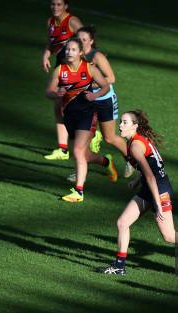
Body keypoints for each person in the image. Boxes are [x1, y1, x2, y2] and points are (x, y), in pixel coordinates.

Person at [101, 110, 178, 275]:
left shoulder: (135, 146)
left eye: (125, 122)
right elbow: (149, 167)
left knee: (169, 236)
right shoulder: (135, 141)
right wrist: (136, 180)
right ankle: (119, 266)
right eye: (121, 121)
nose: (120, 125)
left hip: (159, 190)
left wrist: (157, 203)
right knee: (122, 223)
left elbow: (150, 175)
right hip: (152, 187)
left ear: (135, 126)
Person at [46, 37, 118, 202]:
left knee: (78, 151)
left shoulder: (89, 68)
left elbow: (105, 85)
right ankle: (106, 161)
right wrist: (56, 94)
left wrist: (95, 95)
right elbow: (48, 91)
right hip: (69, 116)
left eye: (72, 49)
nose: (69, 52)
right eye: (67, 49)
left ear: (80, 52)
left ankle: (79, 192)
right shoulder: (60, 70)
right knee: (82, 154)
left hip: (87, 114)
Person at [77, 25, 134, 178]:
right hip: (86, 101)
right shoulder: (74, 55)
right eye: (78, 39)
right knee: (81, 139)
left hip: (104, 100)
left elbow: (111, 79)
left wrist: (89, 84)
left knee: (109, 137)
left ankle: (131, 159)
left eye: (84, 39)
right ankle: (79, 171)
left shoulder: (97, 57)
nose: (81, 42)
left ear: (91, 41)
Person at [42, 0, 83, 161]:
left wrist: (90, 62)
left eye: (59, 4)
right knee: (59, 106)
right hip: (61, 67)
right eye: (53, 4)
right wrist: (46, 53)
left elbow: (85, 41)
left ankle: (93, 135)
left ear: (66, 6)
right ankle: (63, 149)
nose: (55, 7)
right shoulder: (50, 22)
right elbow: (52, 42)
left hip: (75, 69)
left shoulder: (72, 21)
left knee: (76, 107)